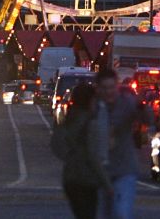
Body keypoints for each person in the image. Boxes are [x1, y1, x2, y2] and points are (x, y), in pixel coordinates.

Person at [96, 68, 153, 219]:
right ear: (98, 89)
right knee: (103, 214)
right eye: (105, 88)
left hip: (124, 169)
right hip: (100, 172)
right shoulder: (94, 108)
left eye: (112, 87)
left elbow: (148, 120)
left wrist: (141, 105)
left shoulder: (127, 103)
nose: (109, 92)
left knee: (121, 212)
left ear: (117, 87)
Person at [50, 82, 112, 219]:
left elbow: (56, 144)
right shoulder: (91, 123)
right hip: (87, 180)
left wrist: (70, 156)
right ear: (90, 101)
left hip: (70, 178)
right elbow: (93, 156)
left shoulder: (69, 119)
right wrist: (107, 184)